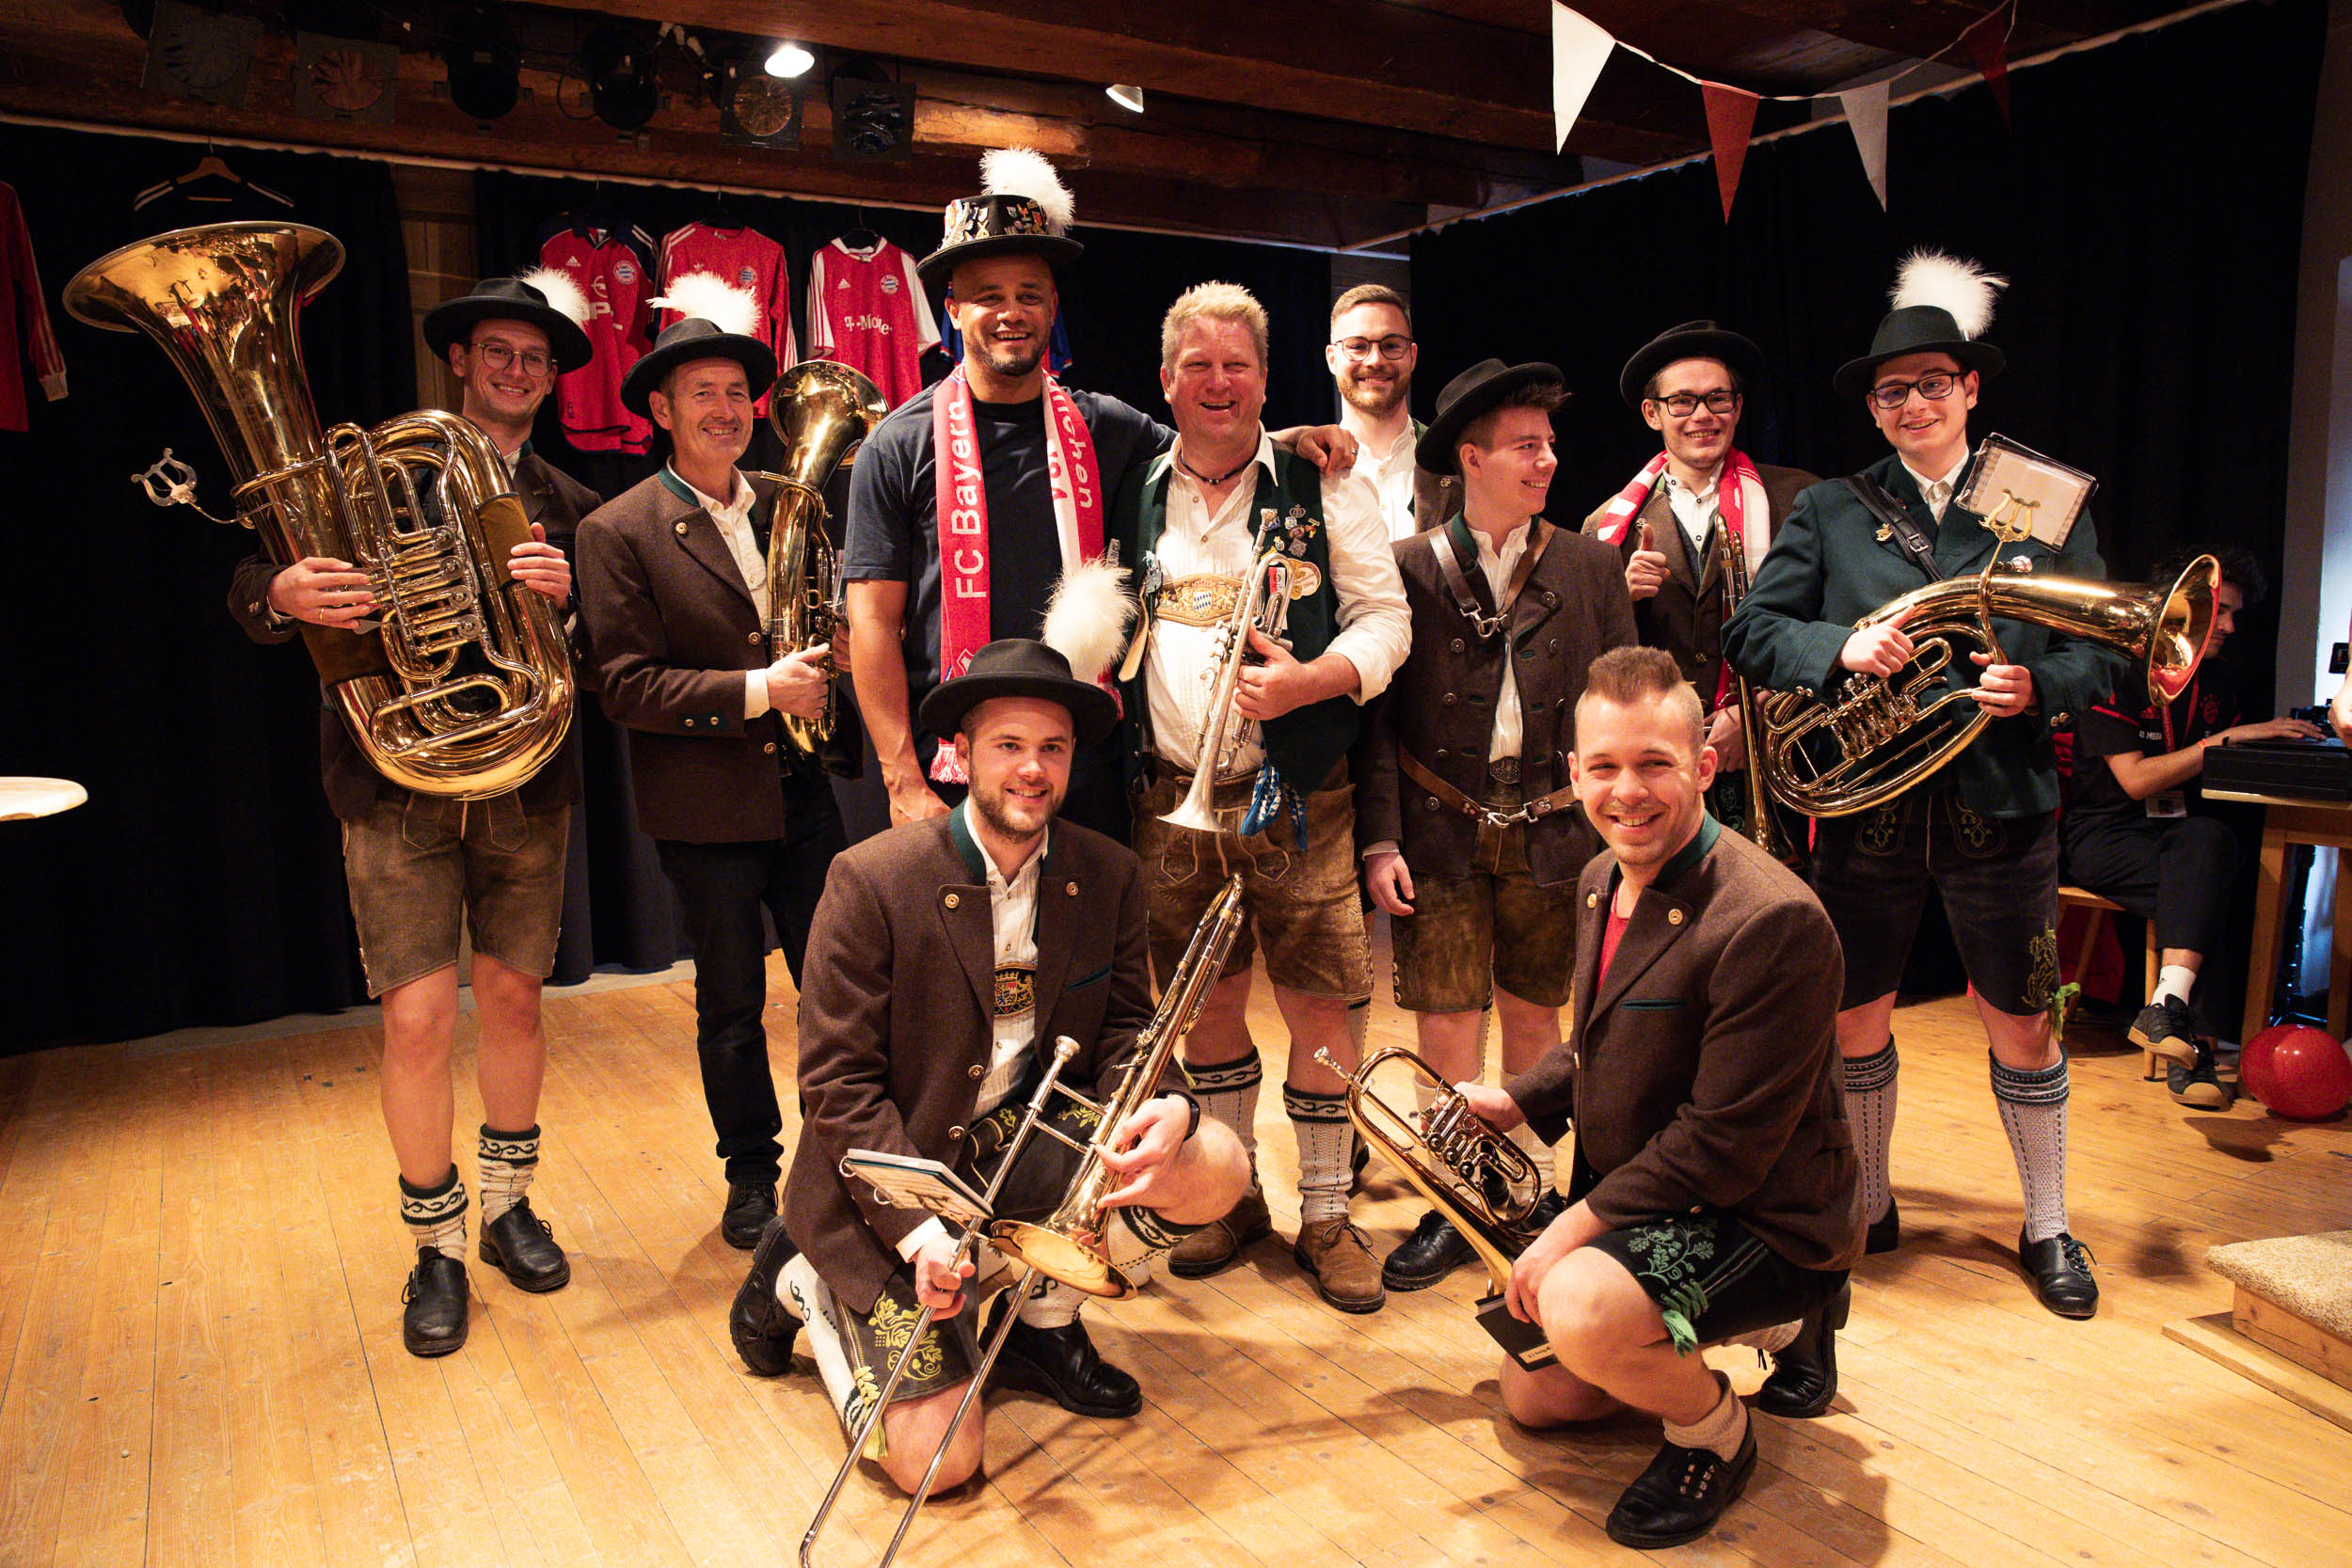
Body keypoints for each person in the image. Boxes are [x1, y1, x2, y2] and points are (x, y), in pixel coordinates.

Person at [726, 638, 1250, 1494]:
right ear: (961, 754)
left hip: (1019, 1142)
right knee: (939, 1464)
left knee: (1215, 1163)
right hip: (894, 1184)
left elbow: (1126, 1027)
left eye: (1053, 747)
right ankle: (804, 1280)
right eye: (1009, 745)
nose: (1033, 769)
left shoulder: (1107, 872)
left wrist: (1172, 1106)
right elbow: (837, 1086)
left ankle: (1043, 1320)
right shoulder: (870, 879)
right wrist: (921, 1234)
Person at [1722, 251, 2129, 1319]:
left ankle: (2048, 1222)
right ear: (1873, 406)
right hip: (1870, 810)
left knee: (2023, 1020)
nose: (1914, 404)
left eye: (1934, 384)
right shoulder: (1830, 510)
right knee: (1855, 1015)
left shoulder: (2042, 502)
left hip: (2004, 801)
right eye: (1893, 390)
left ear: (1971, 389)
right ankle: (1869, 1201)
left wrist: (2036, 686)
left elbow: (2101, 651)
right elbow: (1751, 631)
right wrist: (1837, 649)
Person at [229, 271, 599, 1356]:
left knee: (517, 1002)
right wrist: (282, 594)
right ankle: (434, 1246)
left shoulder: (575, 505)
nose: (515, 370)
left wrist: (568, 600)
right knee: (418, 1020)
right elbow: (255, 575)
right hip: (394, 782)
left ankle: (508, 1206)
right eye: (498, 351)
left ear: (551, 377)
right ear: (460, 359)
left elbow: (611, 652)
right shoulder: (372, 471)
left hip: (525, 781)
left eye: (533, 357)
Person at [1454, 646, 1859, 1550]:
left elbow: (1722, 1146)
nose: (1626, 791)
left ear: (1705, 765)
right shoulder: (1602, 878)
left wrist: (1568, 1233)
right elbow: (1601, 1043)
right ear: (1573, 774)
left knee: (1579, 1308)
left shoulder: (1773, 918)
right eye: (1603, 766)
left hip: (1765, 1215)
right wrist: (1515, 1100)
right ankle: (1740, 1333)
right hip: (1666, 1190)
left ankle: (1715, 1430)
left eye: (1654, 764)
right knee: (1537, 1396)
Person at [845, 149, 1357, 844]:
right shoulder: (897, 445)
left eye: (1029, 294)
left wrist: (1293, 438)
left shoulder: (1105, 426)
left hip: (1088, 764)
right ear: (954, 310)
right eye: (988, 296)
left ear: (1053, 307)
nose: (1011, 313)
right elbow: (873, 624)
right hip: (956, 768)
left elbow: (1208, 445)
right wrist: (901, 781)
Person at [1115, 280, 1411, 1312]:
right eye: (1198, 365)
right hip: (1171, 797)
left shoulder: (1328, 482)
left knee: (1320, 1002)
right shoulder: (1134, 485)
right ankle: (1232, 1196)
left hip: (1300, 792)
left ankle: (1326, 1214)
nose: (1218, 382)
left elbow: (1386, 621)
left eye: (1236, 365)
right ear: (1166, 381)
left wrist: (1311, 681)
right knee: (1202, 1000)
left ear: (1265, 377)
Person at [573, 276, 847, 1251]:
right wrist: (761, 689)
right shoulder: (616, 528)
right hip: (704, 809)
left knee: (838, 991)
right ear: (660, 409)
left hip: (803, 788)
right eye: (703, 394)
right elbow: (626, 685)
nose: (726, 410)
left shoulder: (788, 502)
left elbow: (813, 617)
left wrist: (836, 649)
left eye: (738, 392)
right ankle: (751, 1175)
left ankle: (842, 1157)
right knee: (731, 1004)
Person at [1357, 359, 1635, 1291]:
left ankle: (1524, 1194)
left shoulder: (1592, 566)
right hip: (1437, 828)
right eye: (1525, 445)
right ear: (1471, 458)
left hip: (1558, 832)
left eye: (1549, 444)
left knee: (1534, 1015)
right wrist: (1381, 837)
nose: (1547, 460)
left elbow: (1622, 704)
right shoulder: (1405, 568)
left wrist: (1620, 835)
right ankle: (1453, 1199)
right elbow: (1377, 723)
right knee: (1443, 1020)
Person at [2062, 547, 2319, 1107]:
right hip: (2103, 835)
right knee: (2208, 878)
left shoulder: (2219, 681)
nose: (2229, 627)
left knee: (2210, 847)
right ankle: (2194, 1050)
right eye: (2220, 612)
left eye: (2234, 615)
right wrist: (2226, 740)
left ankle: (2167, 1011)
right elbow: (2135, 782)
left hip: (2176, 837)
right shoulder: (2118, 671)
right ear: (2180, 608)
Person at [1583, 321, 1816, 844]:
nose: (1703, 415)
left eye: (1717, 399)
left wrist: (1754, 711)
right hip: (1657, 765)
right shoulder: (1604, 526)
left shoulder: (1800, 499)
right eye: (1682, 402)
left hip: (1779, 749)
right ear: (1653, 413)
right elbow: (1589, 660)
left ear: (1738, 406)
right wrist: (1619, 598)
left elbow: (1825, 624)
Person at [1322, 282, 1455, 538]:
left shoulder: (1455, 464)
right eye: (1357, 346)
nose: (1375, 360)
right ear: (1332, 359)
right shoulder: (1304, 469)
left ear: (1412, 356)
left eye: (1391, 345)